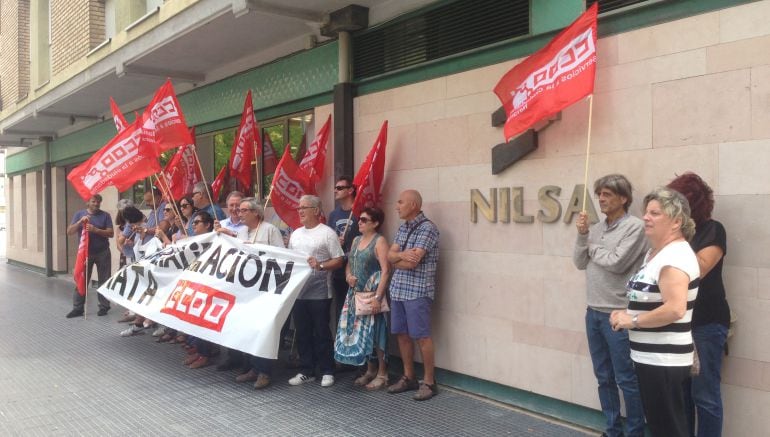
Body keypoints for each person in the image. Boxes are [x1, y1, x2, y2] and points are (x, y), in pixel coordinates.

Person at [610, 187, 699, 437]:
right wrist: (626, 312)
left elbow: (674, 308)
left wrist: (633, 320)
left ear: (676, 221)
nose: (646, 217)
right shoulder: (656, 253)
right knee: (664, 427)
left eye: (655, 213)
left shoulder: (675, 257)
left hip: (664, 361)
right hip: (652, 359)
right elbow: (652, 298)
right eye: (646, 212)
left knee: (668, 429)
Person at [573, 174, 647, 437]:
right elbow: (579, 261)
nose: (601, 200)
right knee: (603, 377)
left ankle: (636, 432)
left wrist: (592, 248)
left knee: (627, 379)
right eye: (599, 194)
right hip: (592, 312)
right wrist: (583, 236)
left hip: (618, 315)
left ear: (623, 198)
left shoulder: (636, 227)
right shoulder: (596, 228)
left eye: (607, 194)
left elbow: (617, 262)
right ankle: (613, 430)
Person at [668, 173, 730, 437]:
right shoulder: (675, 236)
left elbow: (698, 269)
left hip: (706, 324)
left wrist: (675, 239)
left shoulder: (713, 230)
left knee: (705, 397)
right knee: (681, 398)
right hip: (677, 323)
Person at [386, 190, 440, 401]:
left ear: (414, 205)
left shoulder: (427, 228)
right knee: (401, 334)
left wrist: (396, 258)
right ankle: (408, 377)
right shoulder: (402, 228)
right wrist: (398, 256)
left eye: (400, 202)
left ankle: (429, 382)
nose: (397, 206)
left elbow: (411, 263)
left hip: (417, 291)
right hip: (398, 289)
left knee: (422, 336)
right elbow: (389, 255)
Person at [287, 195, 345, 388]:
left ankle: (327, 370)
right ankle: (306, 370)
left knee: (321, 332)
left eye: (305, 207)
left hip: (320, 292)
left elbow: (339, 259)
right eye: (299, 208)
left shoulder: (327, 233)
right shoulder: (295, 234)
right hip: (299, 292)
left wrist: (319, 265)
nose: (300, 211)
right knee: (302, 332)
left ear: (317, 210)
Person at [228, 197, 285, 389]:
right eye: (240, 210)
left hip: (266, 289)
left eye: (244, 210)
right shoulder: (243, 231)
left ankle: (264, 371)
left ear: (256, 213)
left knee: (263, 331)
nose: (239, 213)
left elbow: (283, 257)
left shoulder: (269, 230)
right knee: (248, 329)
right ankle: (251, 367)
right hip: (247, 290)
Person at [334, 207, 391, 390]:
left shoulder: (380, 241)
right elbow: (349, 265)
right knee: (362, 334)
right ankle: (370, 370)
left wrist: (378, 297)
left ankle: (383, 373)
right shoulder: (356, 240)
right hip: (355, 294)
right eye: (360, 219)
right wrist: (348, 276)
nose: (360, 222)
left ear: (375, 223)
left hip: (372, 294)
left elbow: (386, 270)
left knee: (377, 333)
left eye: (365, 220)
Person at [65, 194, 114, 318]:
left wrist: (95, 230)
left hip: (102, 252)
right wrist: (79, 223)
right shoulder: (79, 214)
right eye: (93, 202)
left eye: (98, 202)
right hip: (85, 253)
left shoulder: (105, 215)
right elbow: (69, 232)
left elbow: (111, 233)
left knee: (104, 279)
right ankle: (78, 308)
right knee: (82, 279)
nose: (96, 204)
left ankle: (104, 307)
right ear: (88, 202)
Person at [183, 211, 219, 369]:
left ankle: (206, 354)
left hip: (210, 287)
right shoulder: (195, 241)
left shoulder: (217, 240)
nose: (193, 225)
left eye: (197, 222)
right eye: (193, 222)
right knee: (195, 320)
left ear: (207, 225)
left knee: (203, 321)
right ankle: (199, 351)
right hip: (197, 285)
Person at [327, 176, 360, 319]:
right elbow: (328, 238)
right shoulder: (334, 214)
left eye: (340, 188)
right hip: (339, 269)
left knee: (357, 309)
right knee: (341, 309)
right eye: (335, 187)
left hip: (356, 269)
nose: (335, 190)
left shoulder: (360, 212)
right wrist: (335, 242)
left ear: (350, 190)